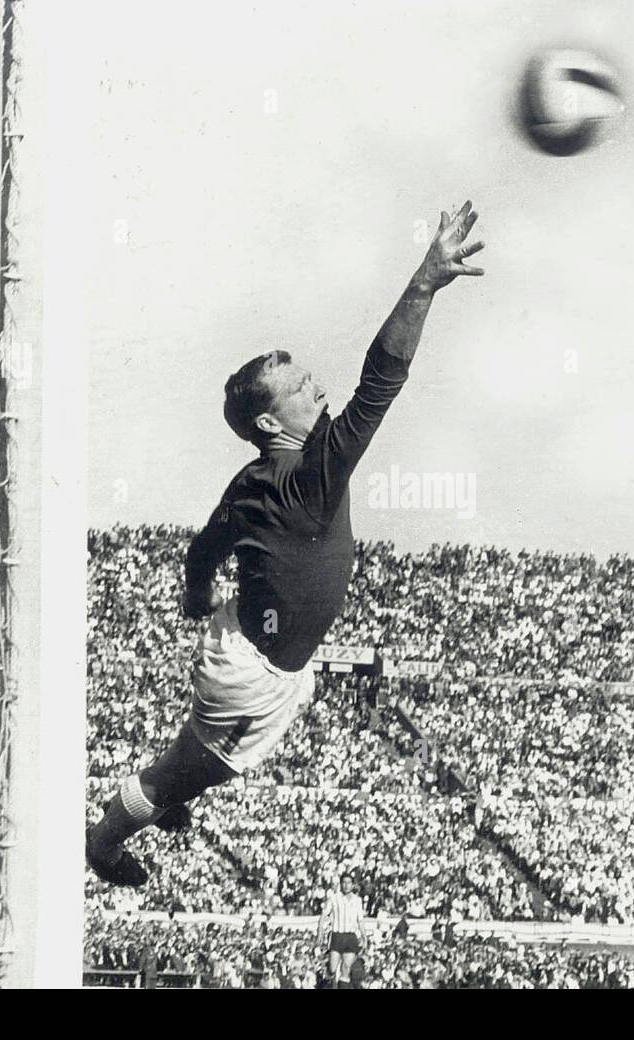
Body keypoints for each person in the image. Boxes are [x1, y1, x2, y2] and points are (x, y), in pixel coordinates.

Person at [85, 202, 485, 885]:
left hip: (248, 646)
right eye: (301, 387)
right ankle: (103, 842)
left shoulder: (248, 481)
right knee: (178, 773)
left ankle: (178, 788)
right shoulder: (312, 472)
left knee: (198, 760)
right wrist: (421, 285)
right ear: (271, 419)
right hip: (254, 678)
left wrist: (196, 592)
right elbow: (380, 382)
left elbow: (205, 548)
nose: (316, 385)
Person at [318, 873, 370, 989]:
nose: (346, 885)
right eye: (344, 883)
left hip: (350, 937)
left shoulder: (357, 900)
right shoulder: (334, 898)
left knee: (346, 968)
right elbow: (323, 916)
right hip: (337, 936)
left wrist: (365, 937)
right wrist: (320, 934)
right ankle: (327, 980)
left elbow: (360, 921)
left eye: (349, 883)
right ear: (341, 884)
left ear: (352, 885)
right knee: (332, 968)